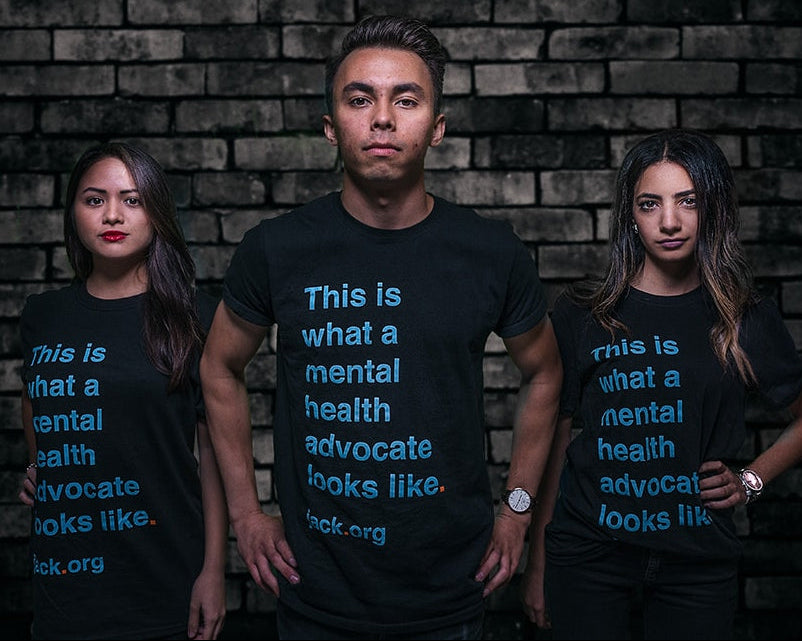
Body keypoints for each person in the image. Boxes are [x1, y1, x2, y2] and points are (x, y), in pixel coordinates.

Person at [200, 14, 563, 640]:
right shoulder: (276, 249)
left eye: (407, 99)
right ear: (330, 129)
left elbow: (547, 373)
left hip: (450, 594)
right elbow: (218, 367)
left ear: (438, 128)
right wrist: (246, 513)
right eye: (359, 98)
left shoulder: (490, 252)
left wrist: (518, 512)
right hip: (315, 595)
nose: (383, 118)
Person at [521, 128, 802, 639]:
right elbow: (555, 440)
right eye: (650, 204)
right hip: (588, 557)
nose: (668, 222)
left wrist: (750, 481)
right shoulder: (584, 314)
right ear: (631, 213)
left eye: (687, 202)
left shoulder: (743, 316)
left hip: (696, 565)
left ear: (712, 207)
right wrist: (538, 564)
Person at [18, 142, 228, 640]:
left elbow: (214, 455)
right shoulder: (42, 315)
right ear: (73, 213)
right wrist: (39, 465)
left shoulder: (196, 317)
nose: (113, 214)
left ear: (156, 213)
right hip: (65, 576)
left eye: (132, 200)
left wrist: (214, 571)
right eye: (94, 200)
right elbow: (36, 400)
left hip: (163, 573)